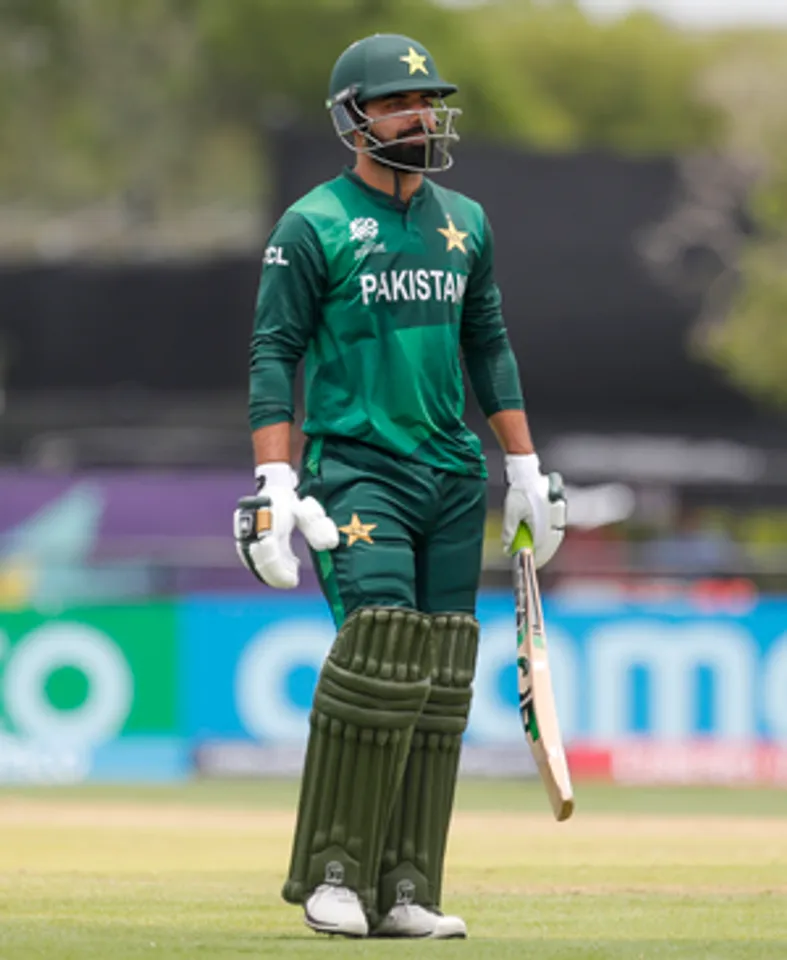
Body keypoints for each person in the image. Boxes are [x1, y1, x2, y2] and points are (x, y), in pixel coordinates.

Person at [233, 32, 566, 940]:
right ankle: (333, 877)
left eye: (427, 103)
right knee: (379, 655)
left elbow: (487, 344)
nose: (420, 117)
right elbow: (274, 352)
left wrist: (524, 468)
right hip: (356, 470)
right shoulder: (313, 224)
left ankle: (408, 886)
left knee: (439, 679)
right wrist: (274, 479)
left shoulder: (466, 222)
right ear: (354, 119)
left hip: (451, 474)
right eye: (398, 104)